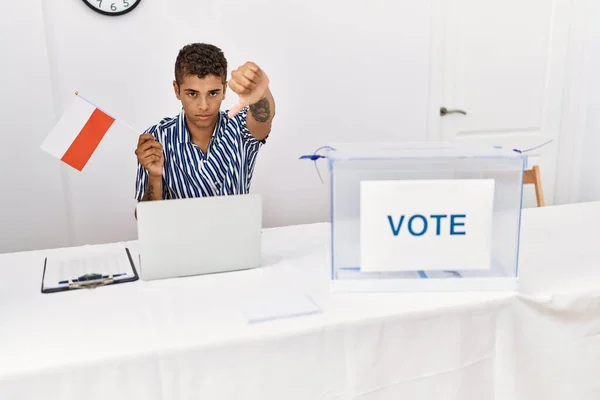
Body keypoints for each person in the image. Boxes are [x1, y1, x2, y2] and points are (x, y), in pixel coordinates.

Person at [134, 43, 275, 204]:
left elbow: (264, 116)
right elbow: (145, 218)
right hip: (180, 230)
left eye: (213, 93)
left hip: (235, 229)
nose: (204, 106)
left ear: (224, 90)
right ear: (176, 90)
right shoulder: (157, 138)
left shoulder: (239, 126)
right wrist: (154, 177)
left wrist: (260, 89)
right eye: (192, 94)